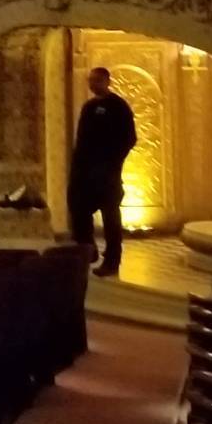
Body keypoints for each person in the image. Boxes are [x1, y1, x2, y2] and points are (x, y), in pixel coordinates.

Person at [66, 66, 137, 277]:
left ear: (107, 81)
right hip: (85, 173)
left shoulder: (118, 107)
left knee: (110, 218)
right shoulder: (88, 107)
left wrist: (112, 163)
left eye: (97, 80)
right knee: (79, 211)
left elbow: (129, 138)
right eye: (90, 80)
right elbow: (82, 141)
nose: (92, 84)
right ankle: (88, 250)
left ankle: (113, 260)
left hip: (107, 175)